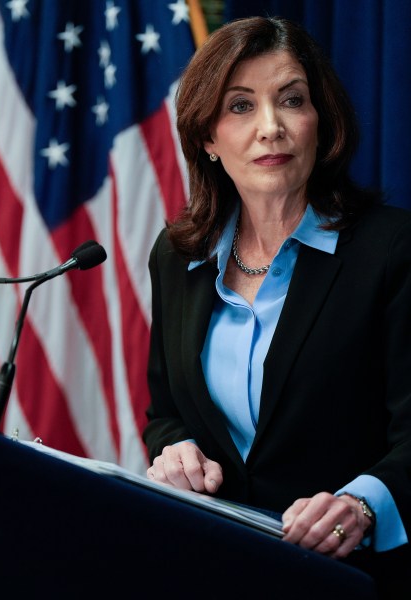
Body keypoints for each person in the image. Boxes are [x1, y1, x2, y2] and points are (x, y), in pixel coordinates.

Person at [143, 15, 410, 598]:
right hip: (216, 566)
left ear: (322, 122)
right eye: (240, 107)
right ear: (207, 138)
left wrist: (364, 504)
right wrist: (176, 452)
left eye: (291, 100)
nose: (271, 128)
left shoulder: (391, 251)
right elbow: (165, 410)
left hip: (354, 577)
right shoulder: (178, 256)